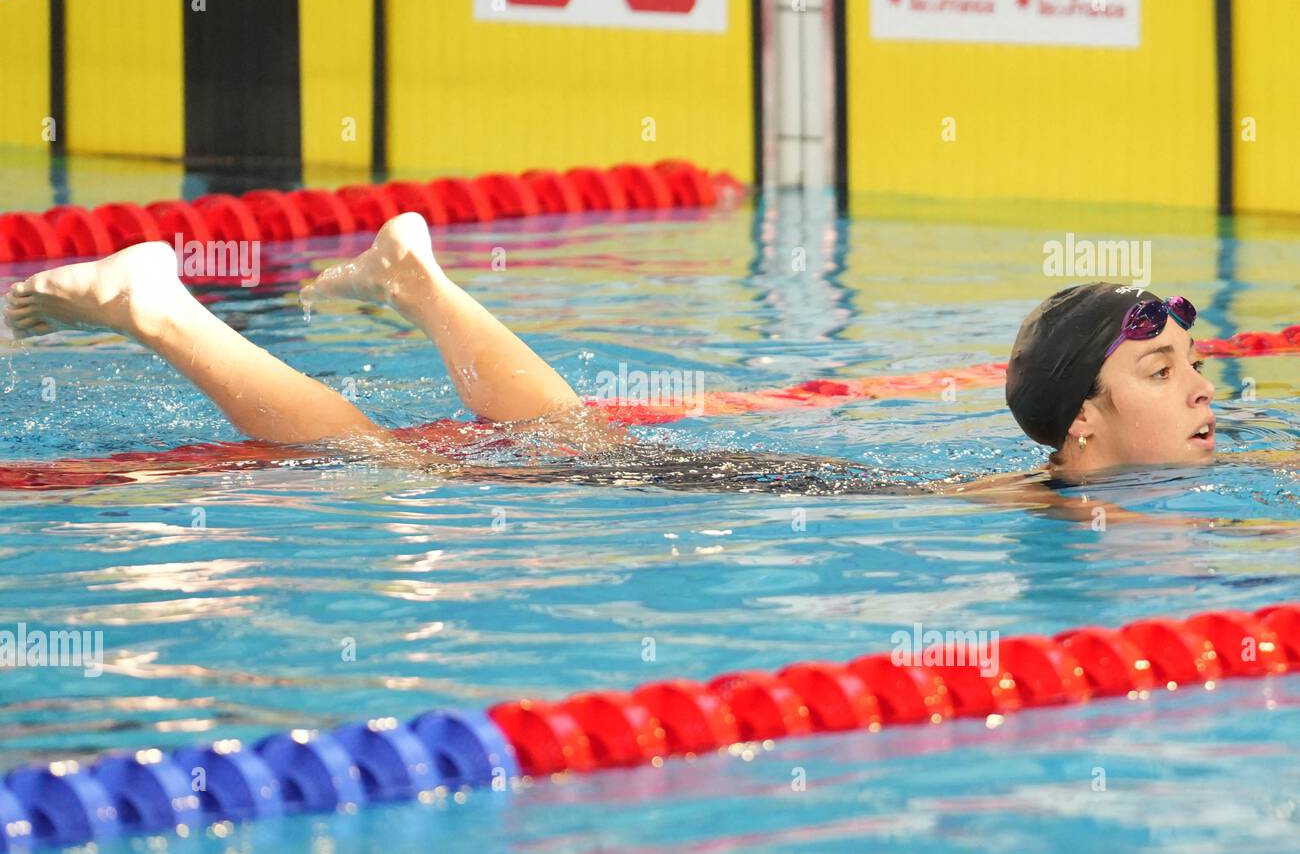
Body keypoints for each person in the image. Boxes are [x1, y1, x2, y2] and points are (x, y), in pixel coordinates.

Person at [0, 213, 1281, 510]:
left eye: (1195, 365)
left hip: (765, 478)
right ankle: (160, 307)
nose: (1201, 385)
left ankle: (414, 274)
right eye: (1162, 369)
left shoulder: (1128, 495)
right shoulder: (1096, 514)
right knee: (381, 467)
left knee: (577, 443)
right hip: (750, 488)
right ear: (1081, 429)